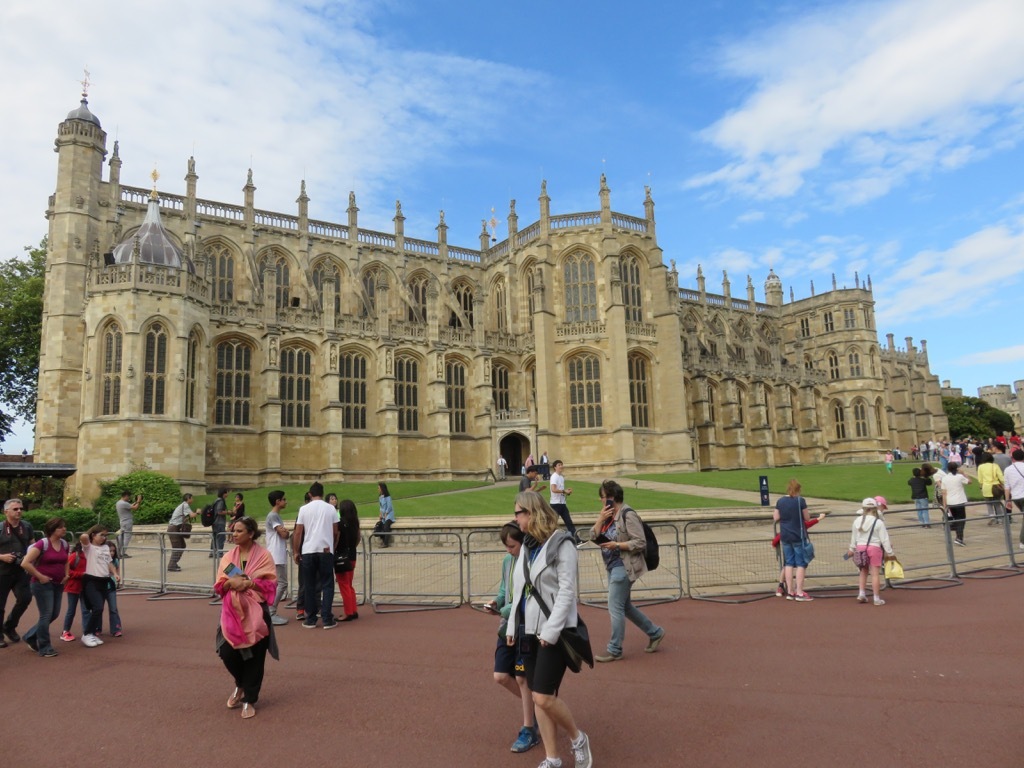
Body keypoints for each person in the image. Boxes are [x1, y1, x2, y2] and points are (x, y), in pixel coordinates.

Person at [506, 491, 592, 768]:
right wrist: (511, 626)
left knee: (543, 695)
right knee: (538, 697)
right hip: (529, 630)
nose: (515, 518)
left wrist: (551, 631)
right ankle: (552, 759)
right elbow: (519, 588)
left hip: (553, 631)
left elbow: (567, 592)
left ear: (531, 513)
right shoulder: (528, 545)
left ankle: (578, 738)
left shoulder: (562, 543)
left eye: (518, 512)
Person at [588, 479, 665, 662]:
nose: (601, 500)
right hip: (612, 566)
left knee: (615, 607)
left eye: (603, 497)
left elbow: (640, 542)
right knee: (626, 606)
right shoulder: (608, 516)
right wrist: (600, 518)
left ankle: (615, 648)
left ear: (611, 498)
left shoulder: (627, 515)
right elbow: (592, 535)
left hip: (624, 567)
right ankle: (655, 632)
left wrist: (617, 545)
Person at [215, 516, 279, 719]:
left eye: (239, 531)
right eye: (233, 531)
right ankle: (240, 684)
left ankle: (249, 699)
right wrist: (230, 584)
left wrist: (250, 584)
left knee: (255, 657)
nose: (234, 534)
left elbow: (271, 585)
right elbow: (219, 586)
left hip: (256, 612)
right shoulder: (228, 558)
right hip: (232, 612)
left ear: (251, 533)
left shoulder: (264, 557)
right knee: (227, 652)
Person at [486, 521, 538, 753]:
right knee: (500, 676)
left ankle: (529, 728)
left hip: (524, 626)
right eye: (506, 546)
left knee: (521, 678)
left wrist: (505, 609)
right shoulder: (508, 561)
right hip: (507, 625)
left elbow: (526, 597)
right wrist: (496, 602)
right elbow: (503, 591)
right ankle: (542, 707)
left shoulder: (529, 561)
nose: (509, 550)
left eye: (512, 546)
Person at [20, 517, 70, 657]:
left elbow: (66, 560)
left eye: (64, 526)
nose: (64, 529)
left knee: (54, 614)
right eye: (61, 527)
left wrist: (67, 575)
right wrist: (40, 576)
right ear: (53, 529)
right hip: (42, 584)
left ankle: (30, 636)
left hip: (58, 584)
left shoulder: (64, 544)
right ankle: (45, 647)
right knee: (46, 614)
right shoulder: (43, 544)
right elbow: (25, 563)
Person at [293, 482, 339, 629]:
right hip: (325, 549)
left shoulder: (303, 509)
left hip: (308, 550)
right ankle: (326, 618)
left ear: (310, 494)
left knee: (309, 585)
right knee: (327, 584)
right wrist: (333, 546)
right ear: (322, 493)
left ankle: (311, 618)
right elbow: (335, 531)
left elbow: (298, 532)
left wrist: (296, 551)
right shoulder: (330, 508)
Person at [847, 498, 896, 606]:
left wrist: (851, 549)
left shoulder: (857, 521)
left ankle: (861, 593)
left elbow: (854, 537)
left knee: (863, 572)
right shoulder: (878, 522)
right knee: (875, 574)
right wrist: (890, 552)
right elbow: (885, 539)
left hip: (860, 547)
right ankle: (876, 598)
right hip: (874, 548)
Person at [78, 525, 119, 648]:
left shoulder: (106, 547)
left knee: (99, 609)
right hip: (91, 580)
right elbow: (83, 537)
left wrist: (115, 573)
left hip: (104, 580)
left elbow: (109, 562)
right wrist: (90, 532)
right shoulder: (89, 548)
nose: (104, 538)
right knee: (97, 607)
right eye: (101, 535)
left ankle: (92, 633)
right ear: (93, 535)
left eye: (106, 535)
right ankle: (86, 634)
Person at [772, 478, 813, 601]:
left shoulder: (780, 501)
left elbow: (776, 517)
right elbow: (807, 517)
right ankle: (799, 592)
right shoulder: (800, 501)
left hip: (785, 535)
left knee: (789, 563)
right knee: (801, 564)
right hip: (797, 535)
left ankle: (790, 591)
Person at [0, 498, 33, 648]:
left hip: (20, 570)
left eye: (21, 508)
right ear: (6, 512)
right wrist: (2, 557)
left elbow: (33, 545)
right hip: (2, 572)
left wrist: (30, 558)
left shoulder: (27, 526)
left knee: (25, 598)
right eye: (15, 509)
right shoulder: (0, 528)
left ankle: (9, 625)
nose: (19, 511)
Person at [771, 511, 826, 597]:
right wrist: (819, 518)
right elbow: (809, 523)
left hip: (788, 547)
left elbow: (779, 537)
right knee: (799, 566)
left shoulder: (787, 526)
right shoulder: (800, 524)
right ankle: (797, 588)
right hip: (798, 546)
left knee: (787, 566)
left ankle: (782, 586)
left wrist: (774, 544)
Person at [264, 490, 290, 626]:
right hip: (276, 555)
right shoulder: (273, 516)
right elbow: (283, 534)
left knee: (278, 584)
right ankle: (271, 612)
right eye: (284, 499)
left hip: (277, 554)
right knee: (282, 583)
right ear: (277, 501)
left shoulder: (275, 516)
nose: (286, 501)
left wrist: (285, 533)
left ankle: (270, 611)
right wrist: (286, 533)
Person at [334, 499, 360, 622]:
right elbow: (358, 538)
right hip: (352, 555)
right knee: (349, 585)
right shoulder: (355, 522)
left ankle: (348, 612)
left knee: (344, 585)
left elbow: (337, 539)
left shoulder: (340, 523)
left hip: (342, 556)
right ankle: (353, 609)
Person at [60, 539, 88, 642]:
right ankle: (65, 631)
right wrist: (81, 574)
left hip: (85, 586)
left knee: (86, 610)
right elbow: (67, 570)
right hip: (73, 586)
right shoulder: (75, 556)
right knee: (71, 610)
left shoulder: (89, 557)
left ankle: (87, 631)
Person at [549, 460, 580, 545]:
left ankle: (577, 540)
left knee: (569, 522)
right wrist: (564, 491)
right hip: (555, 504)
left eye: (562, 465)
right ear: (555, 467)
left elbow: (561, 491)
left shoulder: (561, 477)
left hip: (562, 503)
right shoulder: (554, 477)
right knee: (552, 524)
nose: (561, 466)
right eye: (559, 465)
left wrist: (567, 492)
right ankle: (547, 540)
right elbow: (553, 489)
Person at [940, 463, 971, 547]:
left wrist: (944, 505)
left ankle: (958, 536)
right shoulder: (959, 477)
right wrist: (963, 473)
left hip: (950, 502)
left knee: (955, 519)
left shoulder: (944, 478)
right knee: (961, 520)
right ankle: (959, 538)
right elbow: (969, 482)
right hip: (959, 501)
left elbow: (944, 493)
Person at [167, 493, 197, 571]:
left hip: (175, 528)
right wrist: (198, 512)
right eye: (192, 498)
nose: (193, 500)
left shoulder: (183, 506)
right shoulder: (185, 505)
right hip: (173, 528)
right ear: (188, 499)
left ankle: (174, 563)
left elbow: (184, 518)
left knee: (182, 545)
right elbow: (192, 515)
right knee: (177, 547)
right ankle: (171, 565)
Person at [977, 452, 1006, 526]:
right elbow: (1001, 477)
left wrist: (981, 486)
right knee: (997, 503)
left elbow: (980, 480)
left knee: (989, 504)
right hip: (996, 486)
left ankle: (992, 516)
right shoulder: (995, 466)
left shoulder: (980, 467)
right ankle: (1000, 519)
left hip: (986, 487)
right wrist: (1004, 484)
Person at [1004, 449, 1024, 546]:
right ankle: (1022, 541)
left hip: (1016, 497)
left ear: (1013, 458)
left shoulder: (1008, 469)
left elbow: (1007, 487)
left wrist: (1008, 500)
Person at [116, 489, 142, 557]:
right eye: (128, 497)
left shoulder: (119, 502)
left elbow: (130, 506)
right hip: (127, 522)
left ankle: (118, 552)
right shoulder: (124, 503)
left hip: (122, 522)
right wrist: (139, 501)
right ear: (126, 496)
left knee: (121, 537)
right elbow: (135, 508)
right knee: (127, 537)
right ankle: (122, 553)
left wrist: (136, 501)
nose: (129, 498)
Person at [375, 483, 395, 548]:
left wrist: (386, 513)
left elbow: (389, 507)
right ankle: (383, 542)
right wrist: (380, 514)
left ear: (382, 488)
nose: (378, 489)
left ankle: (386, 543)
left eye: (379, 488)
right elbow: (381, 507)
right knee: (382, 527)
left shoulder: (388, 497)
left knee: (386, 526)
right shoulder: (380, 497)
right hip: (383, 516)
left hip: (389, 515)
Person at [210, 489, 229, 559]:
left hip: (214, 522)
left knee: (215, 537)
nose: (228, 494)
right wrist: (228, 512)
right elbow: (219, 511)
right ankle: (220, 552)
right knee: (221, 537)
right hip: (219, 522)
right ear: (224, 493)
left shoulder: (216, 500)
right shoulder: (220, 501)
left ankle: (212, 552)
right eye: (227, 492)